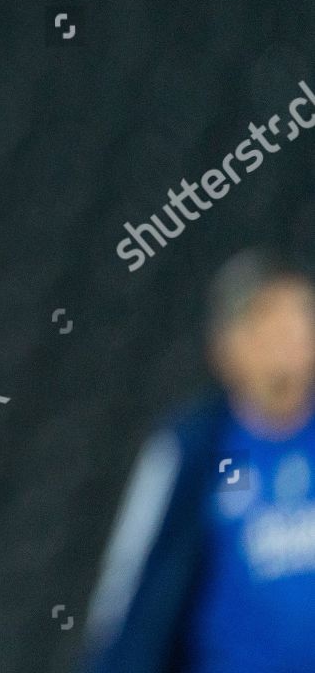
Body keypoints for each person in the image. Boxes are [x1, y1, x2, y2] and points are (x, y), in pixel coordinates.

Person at [80, 247, 315, 673]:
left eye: (298, 315)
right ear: (226, 345)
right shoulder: (198, 451)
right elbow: (134, 600)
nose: (288, 335)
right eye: (264, 320)